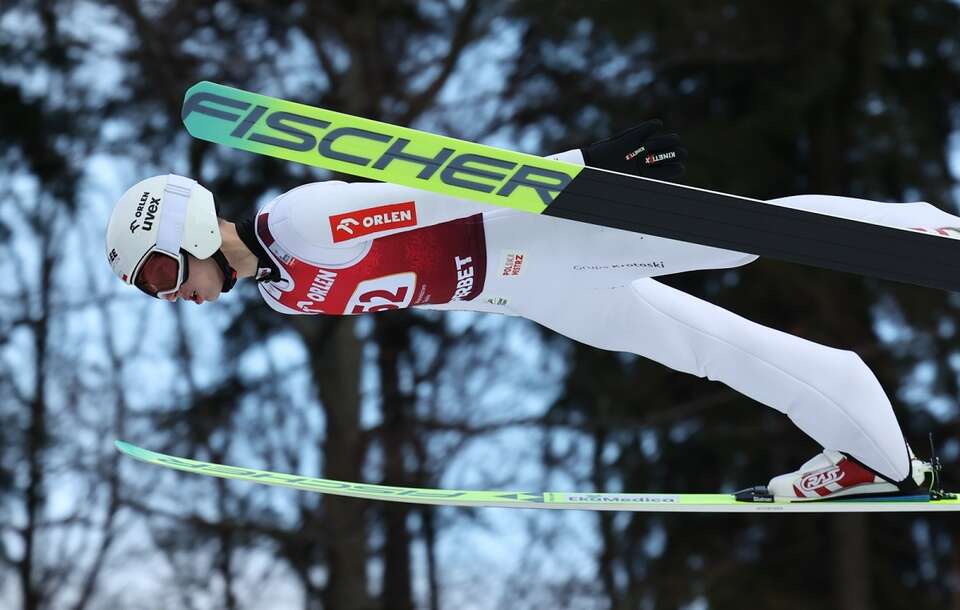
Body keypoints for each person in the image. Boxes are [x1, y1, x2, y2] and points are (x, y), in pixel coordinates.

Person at [106, 121, 951, 501]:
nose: (169, 296)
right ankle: (876, 455)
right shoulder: (283, 291)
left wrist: (594, 164)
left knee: (742, 238)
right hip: (529, 294)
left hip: (549, 236)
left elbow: (436, 188)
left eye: (157, 275)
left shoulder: (298, 223)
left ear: (183, 226)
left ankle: (936, 231)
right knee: (709, 348)